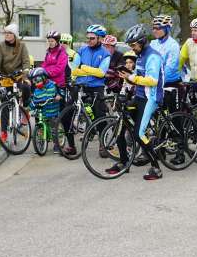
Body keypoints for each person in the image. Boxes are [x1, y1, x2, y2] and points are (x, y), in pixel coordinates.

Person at [106, 24, 164, 180]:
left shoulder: (153, 56)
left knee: (139, 133)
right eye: (130, 45)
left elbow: (152, 81)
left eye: (134, 45)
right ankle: (124, 162)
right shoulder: (141, 56)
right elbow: (135, 76)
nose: (132, 48)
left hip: (151, 97)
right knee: (121, 123)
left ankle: (156, 168)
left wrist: (132, 78)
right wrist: (125, 77)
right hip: (139, 95)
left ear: (143, 41)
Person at [68, 24, 111, 156]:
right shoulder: (82, 50)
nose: (89, 40)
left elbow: (101, 73)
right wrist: (84, 72)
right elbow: (75, 69)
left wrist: (85, 68)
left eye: (92, 38)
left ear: (100, 39)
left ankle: (102, 145)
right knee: (74, 111)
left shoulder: (105, 54)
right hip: (82, 85)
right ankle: (74, 143)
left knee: (99, 115)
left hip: (97, 88)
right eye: (88, 38)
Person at [0, 23, 32, 142]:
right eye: (5, 33)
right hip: (5, 77)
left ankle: (25, 109)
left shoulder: (22, 46)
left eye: (9, 33)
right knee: (5, 105)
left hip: (18, 76)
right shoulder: (0, 46)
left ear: (14, 35)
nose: (6, 35)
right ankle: (3, 132)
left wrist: (25, 75)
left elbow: (26, 61)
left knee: (26, 88)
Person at [179, 18, 197, 83]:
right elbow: (180, 60)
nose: (192, 33)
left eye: (195, 30)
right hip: (193, 80)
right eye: (192, 30)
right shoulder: (188, 42)